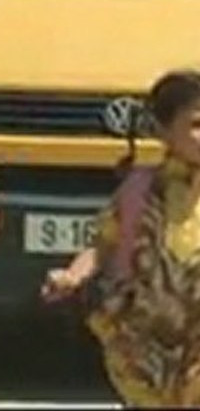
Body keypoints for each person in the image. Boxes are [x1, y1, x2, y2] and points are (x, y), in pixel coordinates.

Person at [41, 68, 200, 407]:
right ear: (164, 131)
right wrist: (72, 276)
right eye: (196, 125)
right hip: (146, 355)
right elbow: (103, 247)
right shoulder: (139, 190)